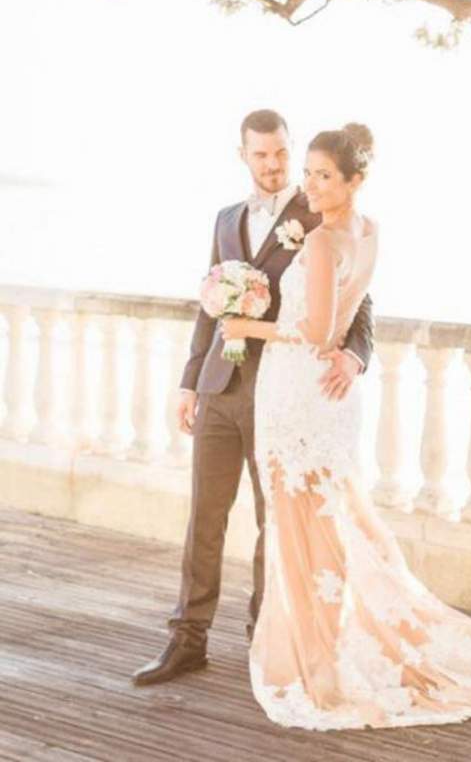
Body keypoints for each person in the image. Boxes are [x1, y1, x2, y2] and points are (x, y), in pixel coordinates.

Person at [219, 121, 471, 730]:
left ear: (354, 180)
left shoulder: (324, 242)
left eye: (322, 175)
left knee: (300, 525)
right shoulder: (369, 231)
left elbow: (315, 333)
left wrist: (244, 328)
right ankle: (323, 643)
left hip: (296, 391)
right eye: (307, 172)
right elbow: (344, 317)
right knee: (328, 521)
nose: (309, 183)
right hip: (329, 398)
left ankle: (317, 659)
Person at [131, 110, 374, 687]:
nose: (274, 165)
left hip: (278, 392)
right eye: (261, 154)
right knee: (204, 517)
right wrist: (191, 381)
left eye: (281, 154)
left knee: (276, 522)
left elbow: (358, 299)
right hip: (220, 387)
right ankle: (187, 639)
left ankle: (263, 636)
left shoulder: (316, 211)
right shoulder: (224, 218)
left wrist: (355, 355)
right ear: (243, 154)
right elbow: (209, 302)